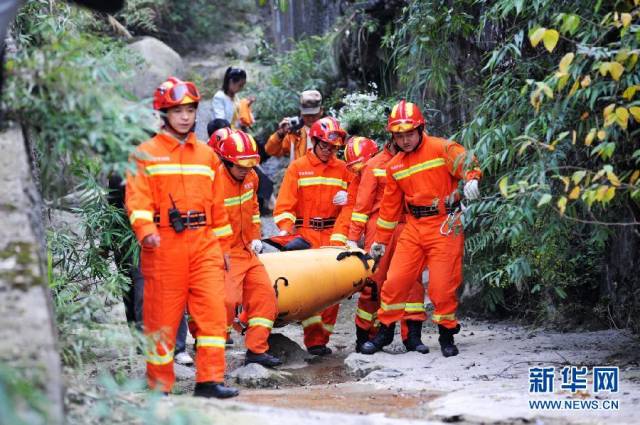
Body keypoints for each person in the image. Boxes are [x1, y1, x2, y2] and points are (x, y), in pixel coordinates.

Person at [126, 76, 238, 398]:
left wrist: (225, 247)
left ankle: (209, 381)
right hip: (163, 246)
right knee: (161, 318)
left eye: (190, 110)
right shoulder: (144, 154)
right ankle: (159, 388)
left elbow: (218, 207)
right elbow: (137, 200)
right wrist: (146, 232)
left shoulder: (207, 156)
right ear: (163, 113)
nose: (186, 117)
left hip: (204, 244)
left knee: (213, 313)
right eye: (177, 110)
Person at [361, 100, 481, 358]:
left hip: (445, 225)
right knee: (394, 281)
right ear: (393, 136)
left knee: (441, 286)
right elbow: (390, 209)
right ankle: (384, 331)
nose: (405, 140)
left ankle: (446, 334)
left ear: (420, 128)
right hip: (413, 227)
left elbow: (468, 163)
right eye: (399, 135)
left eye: (409, 134)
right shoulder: (394, 166)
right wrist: (380, 241)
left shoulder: (442, 148)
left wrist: (472, 179)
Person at [272, 116, 352, 355]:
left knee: (333, 290)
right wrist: (286, 230)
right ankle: (313, 337)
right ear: (315, 141)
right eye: (325, 145)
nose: (329, 151)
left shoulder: (343, 170)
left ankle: (320, 341)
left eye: (333, 147)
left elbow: (350, 208)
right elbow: (284, 205)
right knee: (311, 290)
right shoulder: (298, 167)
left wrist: (341, 232)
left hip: (332, 234)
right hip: (305, 233)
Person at [345, 137, 429, 354]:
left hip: (410, 226)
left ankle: (412, 337)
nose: (405, 141)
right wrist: (353, 238)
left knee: (412, 283)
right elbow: (362, 205)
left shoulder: (415, 160)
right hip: (379, 228)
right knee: (374, 283)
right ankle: (367, 336)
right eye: (400, 136)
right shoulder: (374, 165)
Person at [216, 130, 282, 367]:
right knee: (226, 301)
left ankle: (256, 350)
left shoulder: (251, 177)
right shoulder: (215, 183)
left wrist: (256, 236)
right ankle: (210, 349)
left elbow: (254, 209)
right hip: (225, 252)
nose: (246, 169)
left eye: (250, 164)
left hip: (247, 250)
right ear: (227, 160)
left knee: (266, 297)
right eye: (240, 165)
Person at [264, 90, 324, 162]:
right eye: (307, 114)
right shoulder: (293, 132)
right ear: (301, 113)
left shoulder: (330, 129)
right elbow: (270, 151)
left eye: (314, 114)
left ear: (321, 111)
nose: (310, 118)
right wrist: (280, 134)